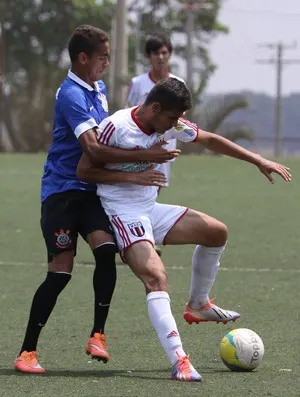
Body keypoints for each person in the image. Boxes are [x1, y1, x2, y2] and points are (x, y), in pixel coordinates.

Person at [77, 77, 291, 382]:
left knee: (217, 232)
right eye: (172, 118)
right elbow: (84, 170)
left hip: (150, 209)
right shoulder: (116, 126)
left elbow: (208, 139)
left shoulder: (170, 121)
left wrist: (257, 159)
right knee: (156, 276)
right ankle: (180, 361)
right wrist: (134, 177)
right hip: (122, 212)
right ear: (155, 108)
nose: (177, 125)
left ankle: (199, 304)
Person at [14, 25, 177, 374]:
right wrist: (146, 157)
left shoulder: (98, 88)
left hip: (91, 193)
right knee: (61, 272)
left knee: (106, 251)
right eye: (102, 57)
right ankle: (27, 351)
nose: (107, 63)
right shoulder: (71, 95)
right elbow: (93, 148)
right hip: (61, 193)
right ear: (83, 58)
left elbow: (108, 137)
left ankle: (98, 334)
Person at [127, 33, 184, 255]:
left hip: (165, 148)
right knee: (138, 189)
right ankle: (137, 238)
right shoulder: (138, 83)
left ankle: (141, 236)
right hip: (141, 147)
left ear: (169, 54)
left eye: (164, 52)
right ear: (148, 56)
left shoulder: (178, 84)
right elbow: (130, 110)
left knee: (155, 190)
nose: (160, 57)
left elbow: (181, 117)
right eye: (155, 53)